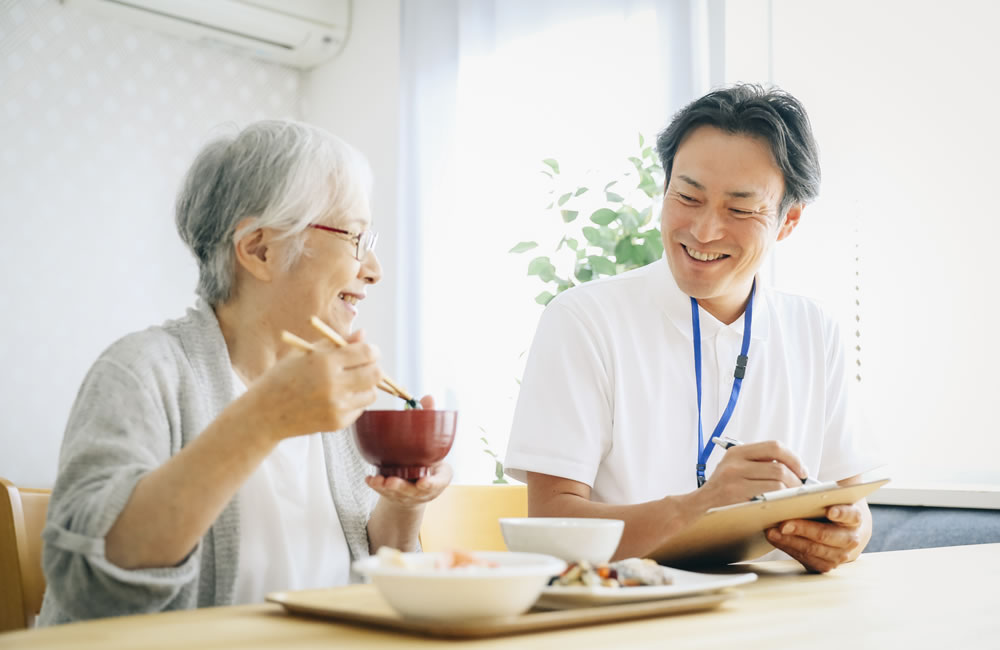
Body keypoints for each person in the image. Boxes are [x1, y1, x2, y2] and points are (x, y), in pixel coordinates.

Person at [38, 120, 452, 625]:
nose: (374, 269)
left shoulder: (333, 397)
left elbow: (365, 573)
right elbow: (92, 587)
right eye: (357, 239)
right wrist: (263, 419)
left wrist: (405, 506)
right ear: (259, 249)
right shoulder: (141, 371)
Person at [504, 84, 883, 573]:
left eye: (740, 209)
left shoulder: (815, 330)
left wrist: (846, 535)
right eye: (687, 196)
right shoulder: (584, 320)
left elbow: (852, 504)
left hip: (774, 616)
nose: (703, 231)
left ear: (788, 220)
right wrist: (700, 506)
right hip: (626, 618)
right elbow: (551, 528)